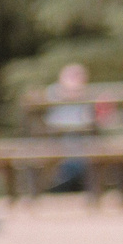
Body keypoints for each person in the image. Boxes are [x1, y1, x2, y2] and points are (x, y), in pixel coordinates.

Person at [44, 64, 93, 193]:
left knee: (82, 149)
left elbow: (91, 121)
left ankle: (66, 182)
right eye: (73, 76)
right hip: (58, 137)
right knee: (74, 149)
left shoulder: (88, 94)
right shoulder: (53, 92)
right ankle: (67, 181)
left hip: (82, 138)